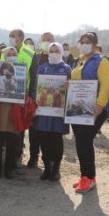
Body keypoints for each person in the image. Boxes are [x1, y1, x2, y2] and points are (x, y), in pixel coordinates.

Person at [71, 32, 109, 193]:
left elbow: (106, 85)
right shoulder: (80, 60)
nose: (84, 44)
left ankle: (89, 177)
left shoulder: (102, 61)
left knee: (85, 142)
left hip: (94, 108)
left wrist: (99, 106)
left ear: (95, 44)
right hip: (77, 107)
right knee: (81, 142)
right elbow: (76, 82)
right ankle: (86, 176)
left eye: (88, 42)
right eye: (82, 42)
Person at [33, 43, 72, 181]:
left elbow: (73, 90)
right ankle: (47, 167)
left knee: (56, 139)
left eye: (57, 51)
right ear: (48, 53)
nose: (54, 53)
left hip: (58, 111)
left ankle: (56, 168)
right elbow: (36, 88)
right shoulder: (42, 68)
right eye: (52, 51)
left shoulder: (66, 68)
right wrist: (34, 105)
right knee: (44, 139)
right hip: (43, 110)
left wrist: (70, 87)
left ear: (61, 52)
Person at [0, 47, 21, 179]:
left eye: (14, 54)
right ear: (4, 56)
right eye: (9, 54)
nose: (12, 56)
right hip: (0, 108)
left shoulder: (20, 72)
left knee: (12, 141)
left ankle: (9, 168)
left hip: (13, 108)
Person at [5, 29, 35, 166]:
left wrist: (31, 97)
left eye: (14, 36)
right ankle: (5, 154)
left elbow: (33, 76)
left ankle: (16, 155)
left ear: (21, 38)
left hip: (21, 96)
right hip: (4, 95)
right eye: (10, 36)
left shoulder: (30, 53)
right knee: (5, 124)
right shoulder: (3, 51)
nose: (11, 38)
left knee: (18, 125)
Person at [26, 32, 55, 168]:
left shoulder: (57, 58)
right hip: (34, 99)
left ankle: (47, 159)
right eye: (45, 40)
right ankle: (33, 157)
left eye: (50, 40)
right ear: (41, 41)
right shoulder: (35, 57)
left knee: (47, 131)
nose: (47, 42)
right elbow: (30, 77)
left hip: (51, 100)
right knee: (33, 130)